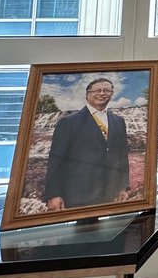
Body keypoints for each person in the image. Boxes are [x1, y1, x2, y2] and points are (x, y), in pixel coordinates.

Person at [44, 77, 131, 210]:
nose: (102, 93)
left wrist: (123, 187)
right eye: (97, 90)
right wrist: (54, 194)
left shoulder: (119, 121)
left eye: (106, 90)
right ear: (87, 95)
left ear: (111, 94)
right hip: (78, 194)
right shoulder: (68, 122)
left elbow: (122, 156)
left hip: (110, 193)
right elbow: (56, 160)